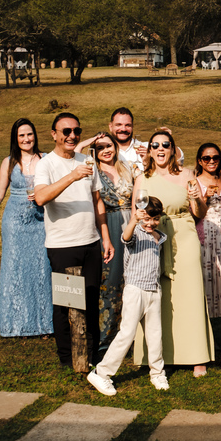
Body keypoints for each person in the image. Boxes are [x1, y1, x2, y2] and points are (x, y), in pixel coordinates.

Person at [132, 129, 215, 376]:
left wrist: (197, 199)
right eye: (155, 145)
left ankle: (197, 355)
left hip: (184, 235)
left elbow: (199, 213)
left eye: (165, 144)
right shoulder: (141, 179)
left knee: (189, 294)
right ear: (149, 151)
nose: (160, 149)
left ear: (172, 149)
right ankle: (158, 354)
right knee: (157, 297)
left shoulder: (187, 175)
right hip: (153, 237)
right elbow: (134, 214)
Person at [35, 113, 115, 368]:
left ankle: (90, 355)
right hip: (62, 245)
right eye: (66, 131)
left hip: (90, 242)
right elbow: (41, 198)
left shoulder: (86, 160)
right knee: (66, 303)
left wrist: (105, 238)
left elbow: (97, 201)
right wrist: (71, 176)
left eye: (76, 131)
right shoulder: (46, 164)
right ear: (54, 134)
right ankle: (67, 357)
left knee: (91, 300)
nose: (72, 136)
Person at [87, 196, 170, 395]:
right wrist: (134, 220)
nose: (150, 223)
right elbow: (126, 237)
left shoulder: (159, 236)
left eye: (155, 219)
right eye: (147, 219)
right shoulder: (136, 232)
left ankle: (157, 373)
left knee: (155, 335)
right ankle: (101, 373)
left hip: (154, 290)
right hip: (135, 290)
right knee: (126, 334)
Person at [0, 118, 51, 337]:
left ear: (35, 135)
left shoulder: (46, 159)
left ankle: (44, 323)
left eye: (29, 134)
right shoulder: (8, 162)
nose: (26, 139)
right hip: (15, 222)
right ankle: (15, 323)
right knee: (15, 268)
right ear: (15, 139)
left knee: (41, 267)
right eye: (21, 136)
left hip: (41, 220)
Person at [90, 132, 134, 358]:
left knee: (132, 282)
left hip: (132, 225)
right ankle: (106, 340)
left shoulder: (128, 169)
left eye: (110, 145)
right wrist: (89, 142)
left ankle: (131, 338)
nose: (106, 150)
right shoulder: (92, 171)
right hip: (108, 225)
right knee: (110, 281)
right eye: (100, 148)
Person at [194, 142, 221, 348]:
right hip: (205, 235)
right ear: (200, 161)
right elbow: (192, 212)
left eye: (215, 158)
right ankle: (207, 333)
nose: (211, 161)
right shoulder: (195, 182)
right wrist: (204, 198)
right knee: (207, 279)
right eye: (206, 158)